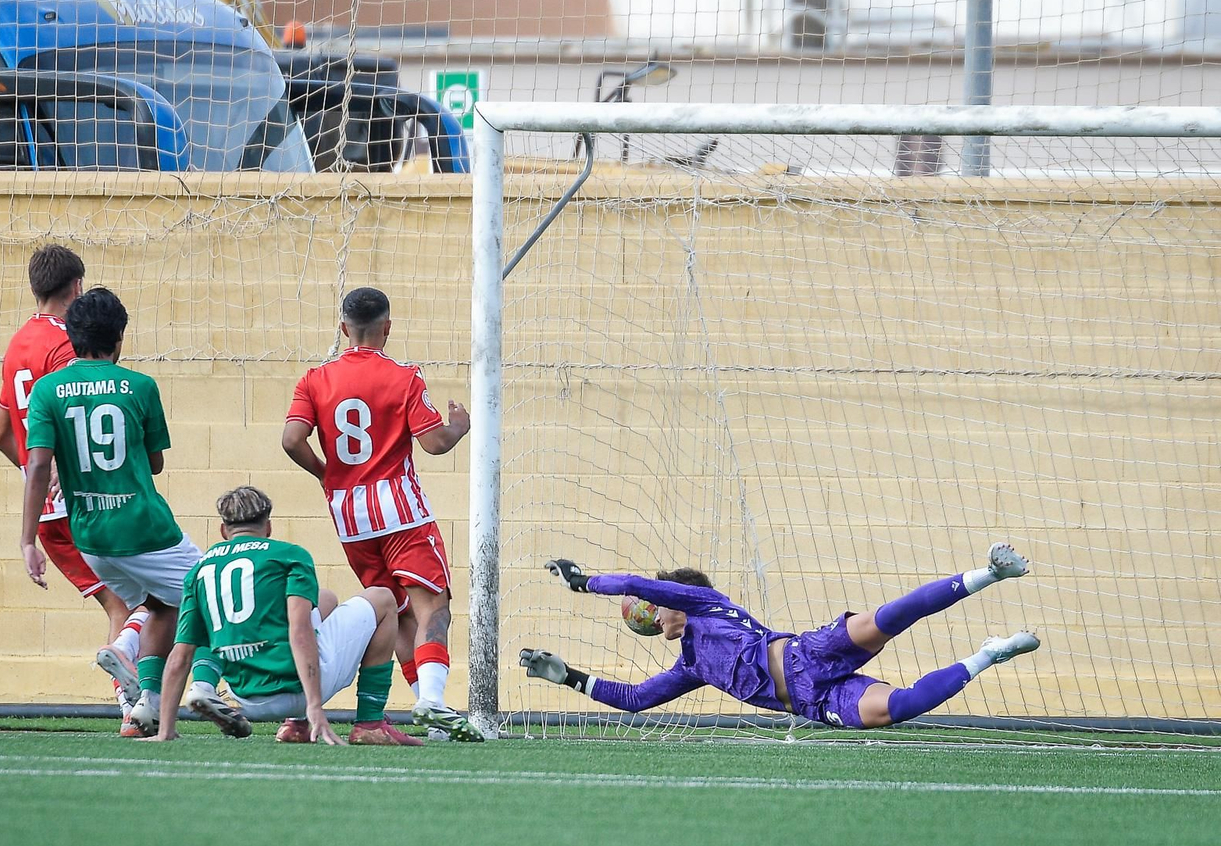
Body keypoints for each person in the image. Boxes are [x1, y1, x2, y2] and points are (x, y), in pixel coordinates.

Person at [522, 542, 1040, 729]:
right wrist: (567, 676)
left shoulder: (708, 604)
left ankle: (989, 574)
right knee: (897, 709)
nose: (647, 616)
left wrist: (587, 582)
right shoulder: (691, 666)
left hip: (806, 651)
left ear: (671, 600)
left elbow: (635, 584)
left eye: (652, 608)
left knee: (886, 619)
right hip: (816, 700)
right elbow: (634, 699)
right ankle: (988, 656)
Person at [19, 286, 219, 738]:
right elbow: (154, 463)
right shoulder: (141, 387)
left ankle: (141, 709)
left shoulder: (47, 390)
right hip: (145, 530)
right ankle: (205, 686)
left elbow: (37, 466)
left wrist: (28, 540)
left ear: (70, 338)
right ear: (121, 338)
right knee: (214, 595)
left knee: (162, 606)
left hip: (91, 539)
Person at [281, 287, 478, 741]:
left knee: (398, 613)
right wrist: (460, 427)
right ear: (387, 328)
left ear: (342, 327)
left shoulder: (314, 379)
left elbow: (292, 440)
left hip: (351, 518)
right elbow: (434, 443)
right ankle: (431, 701)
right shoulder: (404, 376)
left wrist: (327, 474)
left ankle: (428, 716)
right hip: (400, 511)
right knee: (434, 608)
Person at [0, 244, 154, 736]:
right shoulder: (67, 347)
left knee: (121, 607)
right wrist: (68, 469)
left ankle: (134, 708)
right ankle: (135, 709)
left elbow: (0, 434)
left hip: (43, 510)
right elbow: (77, 409)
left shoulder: (17, 344)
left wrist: (37, 476)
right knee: (150, 601)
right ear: (77, 287)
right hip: (87, 501)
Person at [154, 485, 422, 746]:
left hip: (246, 697)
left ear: (224, 530)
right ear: (268, 526)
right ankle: (370, 723)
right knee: (383, 598)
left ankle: (295, 724)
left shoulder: (200, 569)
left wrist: (166, 729)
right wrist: (315, 706)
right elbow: (299, 631)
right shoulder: (289, 555)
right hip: (297, 690)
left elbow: (181, 654)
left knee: (324, 598)